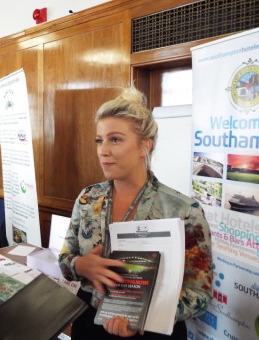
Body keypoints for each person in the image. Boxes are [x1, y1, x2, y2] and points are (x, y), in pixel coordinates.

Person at [58, 87, 212, 340]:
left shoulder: (183, 211)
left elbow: (199, 292)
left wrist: (144, 316)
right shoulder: (88, 199)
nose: (103, 150)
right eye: (99, 140)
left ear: (145, 146)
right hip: (91, 322)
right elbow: (65, 261)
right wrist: (80, 265)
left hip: (152, 330)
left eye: (115, 139)